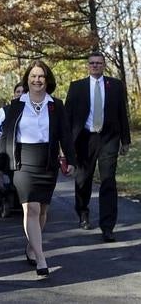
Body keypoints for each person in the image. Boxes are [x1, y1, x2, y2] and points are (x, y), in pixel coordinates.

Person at [0, 60, 76, 277]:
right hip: (23, 163)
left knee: (43, 211)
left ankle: (32, 246)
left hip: (47, 163)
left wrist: (72, 160)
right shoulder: (17, 104)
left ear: (47, 80)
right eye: (33, 76)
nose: (37, 80)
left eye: (41, 76)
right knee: (31, 209)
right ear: (27, 80)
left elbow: (65, 135)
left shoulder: (55, 105)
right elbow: (7, 135)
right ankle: (41, 259)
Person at [65, 52, 131, 242]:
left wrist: (125, 140)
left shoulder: (115, 86)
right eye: (92, 63)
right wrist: (67, 145)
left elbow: (122, 113)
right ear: (88, 65)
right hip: (85, 139)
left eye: (99, 63)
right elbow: (68, 117)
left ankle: (108, 226)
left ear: (104, 65)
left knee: (108, 180)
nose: (95, 66)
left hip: (109, 137)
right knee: (83, 179)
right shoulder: (77, 87)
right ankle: (83, 212)